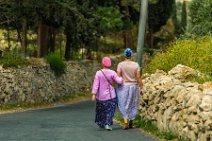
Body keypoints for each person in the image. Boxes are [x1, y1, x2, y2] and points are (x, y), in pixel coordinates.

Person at [91, 56, 122, 131]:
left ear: (102, 64)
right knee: (110, 110)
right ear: (110, 64)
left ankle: (101, 123)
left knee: (101, 110)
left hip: (100, 97)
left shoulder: (98, 73)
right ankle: (107, 124)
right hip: (111, 96)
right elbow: (119, 81)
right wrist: (121, 77)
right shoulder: (112, 73)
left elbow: (96, 84)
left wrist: (94, 94)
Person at [116, 48, 142, 130]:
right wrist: (141, 85)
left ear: (124, 55)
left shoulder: (120, 64)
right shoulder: (136, 65)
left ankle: (125, 121)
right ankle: (131, 121)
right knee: (133, 103)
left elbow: (118, 77)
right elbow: (138, 77)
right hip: (134, 86)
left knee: (123, 103)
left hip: (124, 86)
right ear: (131, 55)